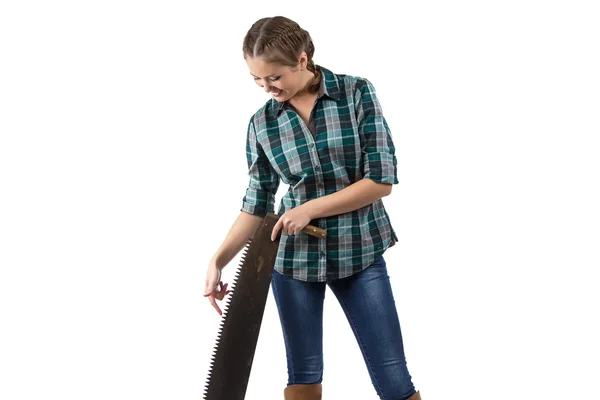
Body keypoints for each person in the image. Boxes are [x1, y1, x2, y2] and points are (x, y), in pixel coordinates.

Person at [204, 15, 422, 400]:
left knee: (393, 377)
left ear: (302, 60)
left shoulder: (356, 93)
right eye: (257, 80)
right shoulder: (262, 125)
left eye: (274, 77)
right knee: (302, 376)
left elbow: (381, 180)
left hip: (360, 251)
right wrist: (218, 260)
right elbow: (256, 203)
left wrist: (310, 209)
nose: (266, 88)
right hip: (292, 263)